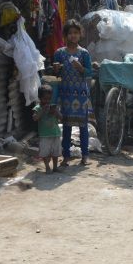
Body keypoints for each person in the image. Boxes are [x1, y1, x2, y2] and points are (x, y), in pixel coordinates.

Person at [52, 20, 93, 166]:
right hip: (65, 93)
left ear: (80, 34)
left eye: (76, 33)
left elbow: (90, 73)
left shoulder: (84, 53)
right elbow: (55, 75)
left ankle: (85, 155)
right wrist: (56, 69)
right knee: (67, 125)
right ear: (65, 36)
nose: (73, 36)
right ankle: (66, 156)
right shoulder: (59, 53)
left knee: (83, 126)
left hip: (81, 94)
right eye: (70, 33)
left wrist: (81, 68)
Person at [33, 84, 62, 173]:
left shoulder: (54, 107)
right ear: (40, 98)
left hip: (55, 133)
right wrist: (42, 110)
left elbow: (61, 117)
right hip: (44, 135)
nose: (47, 101)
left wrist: (56, 112)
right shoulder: (37, 108)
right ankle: (47, 167)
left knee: (55, 152)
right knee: (45, 153)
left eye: (49, 99)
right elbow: (35, 118)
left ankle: (55, 167)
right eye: (45, 99)